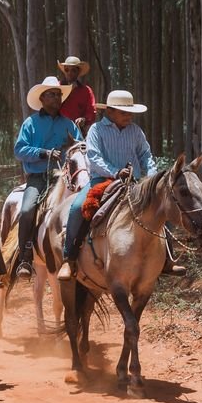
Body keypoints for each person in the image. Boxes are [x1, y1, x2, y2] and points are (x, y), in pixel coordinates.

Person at [56, 89, 156, 282]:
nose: (128, 116)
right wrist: (115, 172)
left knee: (159, 205)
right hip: (101, 181)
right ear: (110, 111)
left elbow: (145, 155)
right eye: (123, 112)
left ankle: (166, 257)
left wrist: (151, 178)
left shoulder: (135, 131)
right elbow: (94, 158)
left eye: (130, 112)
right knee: (77, 208)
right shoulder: (96, 130)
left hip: (133, 183)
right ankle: (69, 257)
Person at [12, 75, 83, 279]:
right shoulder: (30, 123)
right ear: (42, 98)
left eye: (58, 94)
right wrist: (43, 153)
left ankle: (80, 254)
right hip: (39, 177)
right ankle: (25, 257)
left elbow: (81, 147)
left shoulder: (69, 124)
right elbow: (19, 150)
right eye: (52, 94)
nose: (57, 98)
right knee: (27, 209)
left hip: (66, 178)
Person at [56, 56, 98, 132]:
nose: (69, 73)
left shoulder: (86, 91)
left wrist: (84, 119)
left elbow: (91, 111)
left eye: (73, 70)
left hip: (77, 131)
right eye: (67, 70)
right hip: (56, 129)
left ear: (78, 72)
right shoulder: (56, 87)